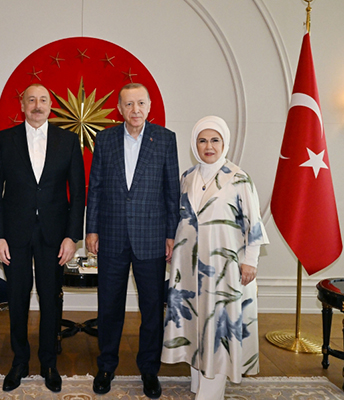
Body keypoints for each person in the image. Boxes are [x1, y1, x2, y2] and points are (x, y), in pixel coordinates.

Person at [161, 116, 269, 400]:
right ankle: (198, 382)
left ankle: (210, 393)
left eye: (214, 140)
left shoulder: (239, 178)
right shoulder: (187, 176)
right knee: (195, 325)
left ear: (224, 143)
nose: (208, 146)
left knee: (219, 326)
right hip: (187, 266)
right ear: (194, 145)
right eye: (202, 140)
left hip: (224, 267)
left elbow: (254, 224)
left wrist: (251, 261)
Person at [0, 83, 85, 393]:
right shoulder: (3, 140)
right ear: (22, 105)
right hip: (13, 234)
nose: (37, 105)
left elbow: (78, 193)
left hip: (54, 236)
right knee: (17, 299)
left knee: (50, 299)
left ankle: (49, 363)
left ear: (50, 106)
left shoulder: (68, 141)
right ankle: (19, 362)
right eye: (31, 100)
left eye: (43, 100)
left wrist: (72, 237)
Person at [86, 82, 180, 399]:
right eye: (129, 104)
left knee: (151, 308)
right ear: (119, 108)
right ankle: (106, 366)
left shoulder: (165, 139)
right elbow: (95, 188)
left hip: (151, 237)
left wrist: (171, 234)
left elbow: (171, 192)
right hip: (111, 235)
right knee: (109, 306)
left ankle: (149, 370)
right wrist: (91, 230)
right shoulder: (105, 139)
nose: (135, 110)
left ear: (149, 106)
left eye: (140, 103)